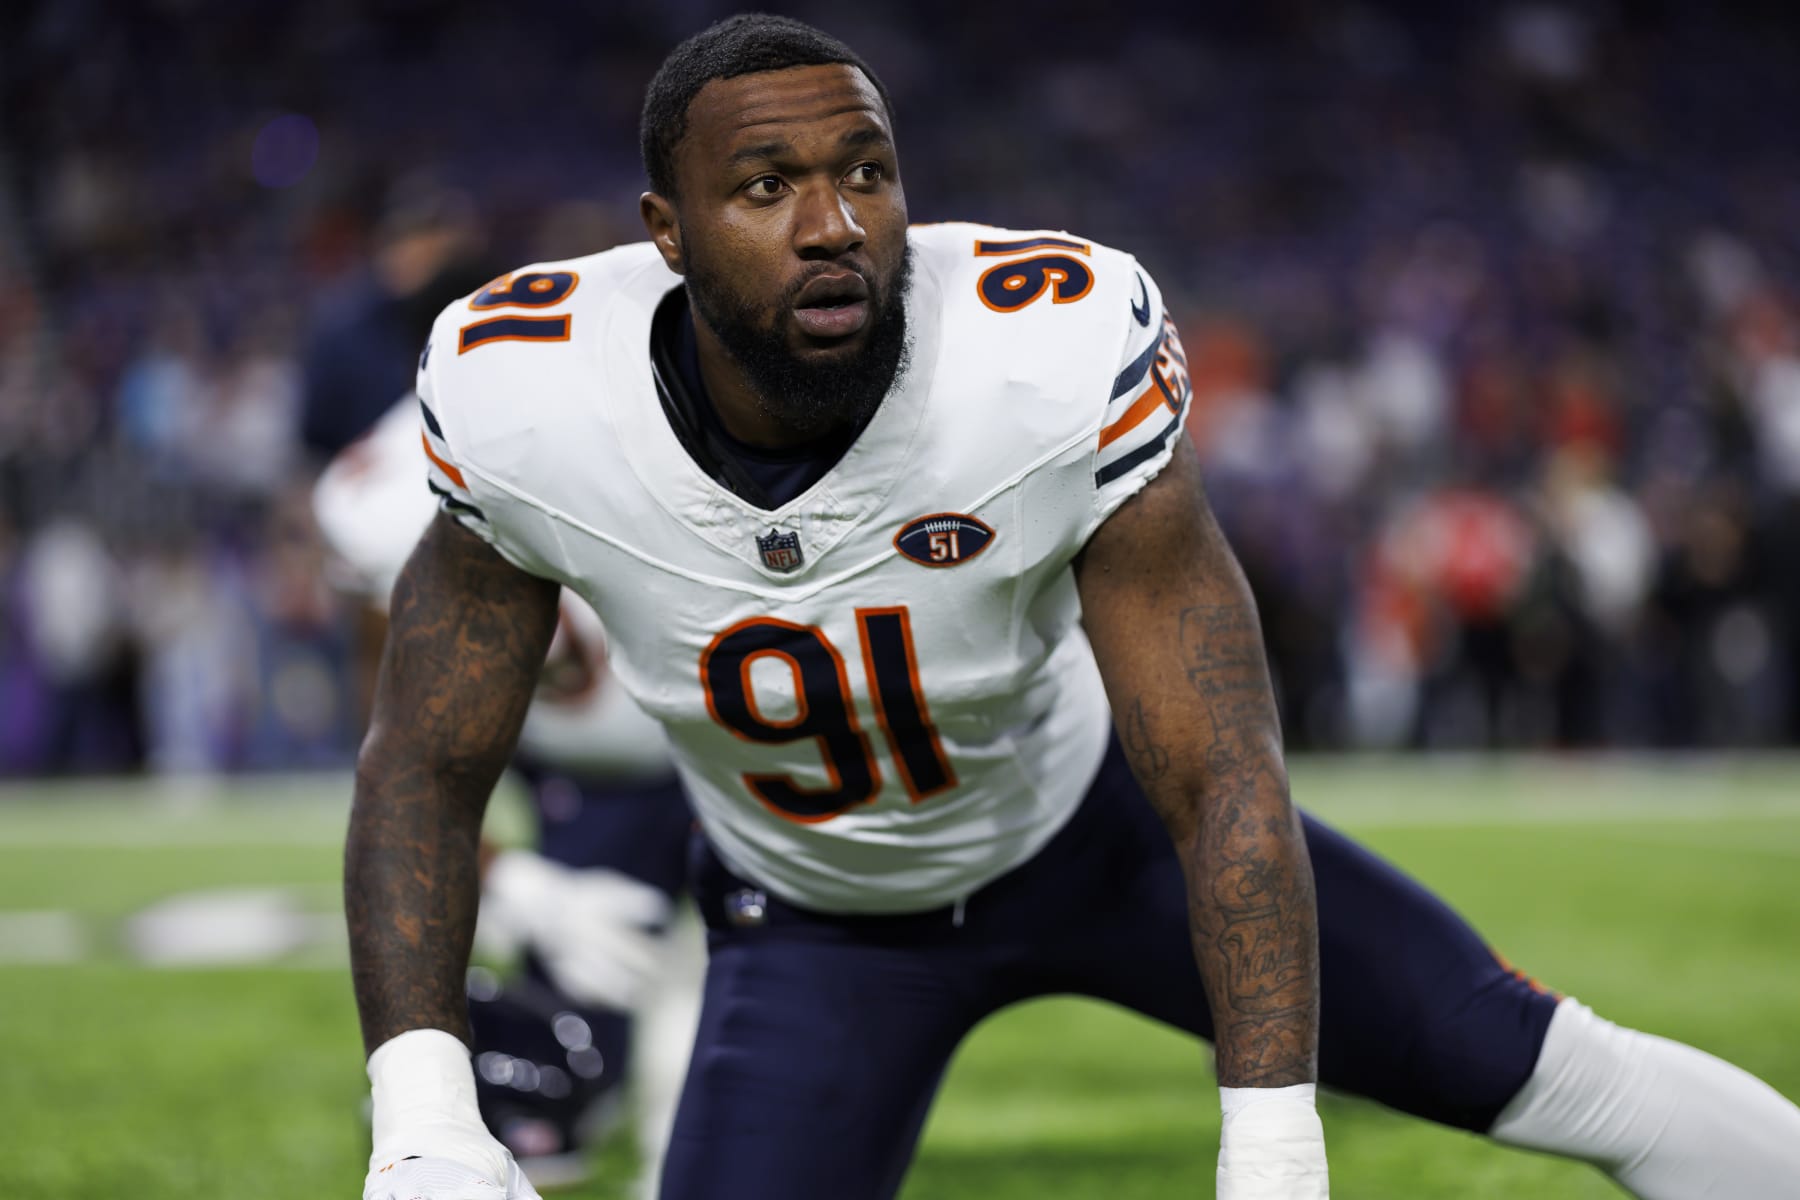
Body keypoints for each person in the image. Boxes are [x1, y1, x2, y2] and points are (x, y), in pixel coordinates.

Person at [348, 15, 1800, 1200]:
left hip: (1101, 838)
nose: (835, 224)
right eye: (765, 186)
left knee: (1559, 1070)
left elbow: (1225, 762)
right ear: (666, 231)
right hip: (812, 918)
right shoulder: (525, 386)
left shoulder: (1038, 351)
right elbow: (421, 761)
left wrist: (1273, 1144)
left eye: (868, 170)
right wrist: (419, 1116)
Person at [315, 396, 699, 1190]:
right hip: (588, 776)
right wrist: (513, 883)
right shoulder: (399, 508)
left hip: (732, 726)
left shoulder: (606, 450)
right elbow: (396, 757)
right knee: (547, 1064)